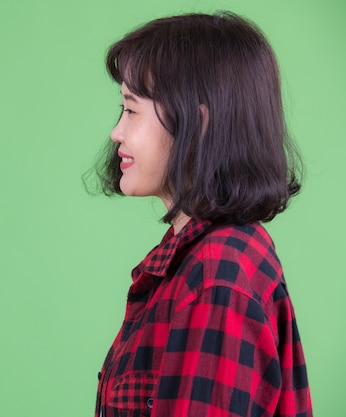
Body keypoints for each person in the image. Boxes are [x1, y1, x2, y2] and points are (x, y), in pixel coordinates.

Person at [90, 12, 312, 417]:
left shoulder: (217, 275)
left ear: (199, 123)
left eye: (132, 110)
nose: (116, 132)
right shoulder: (197, 259)